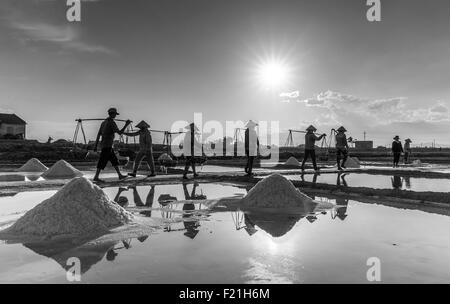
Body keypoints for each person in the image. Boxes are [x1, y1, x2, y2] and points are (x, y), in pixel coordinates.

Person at [93, 108, 131, 182]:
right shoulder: (111, 122)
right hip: (107, 145)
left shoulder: (103, 123)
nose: (115, 116)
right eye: (115, 114)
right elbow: (120, 133)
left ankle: (120, 175)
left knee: (114, 160)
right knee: (102, 161)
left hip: (107, 145)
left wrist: (95, 145)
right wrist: (126, 124)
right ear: (112, 114)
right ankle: (96, 177)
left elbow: (98, 134)